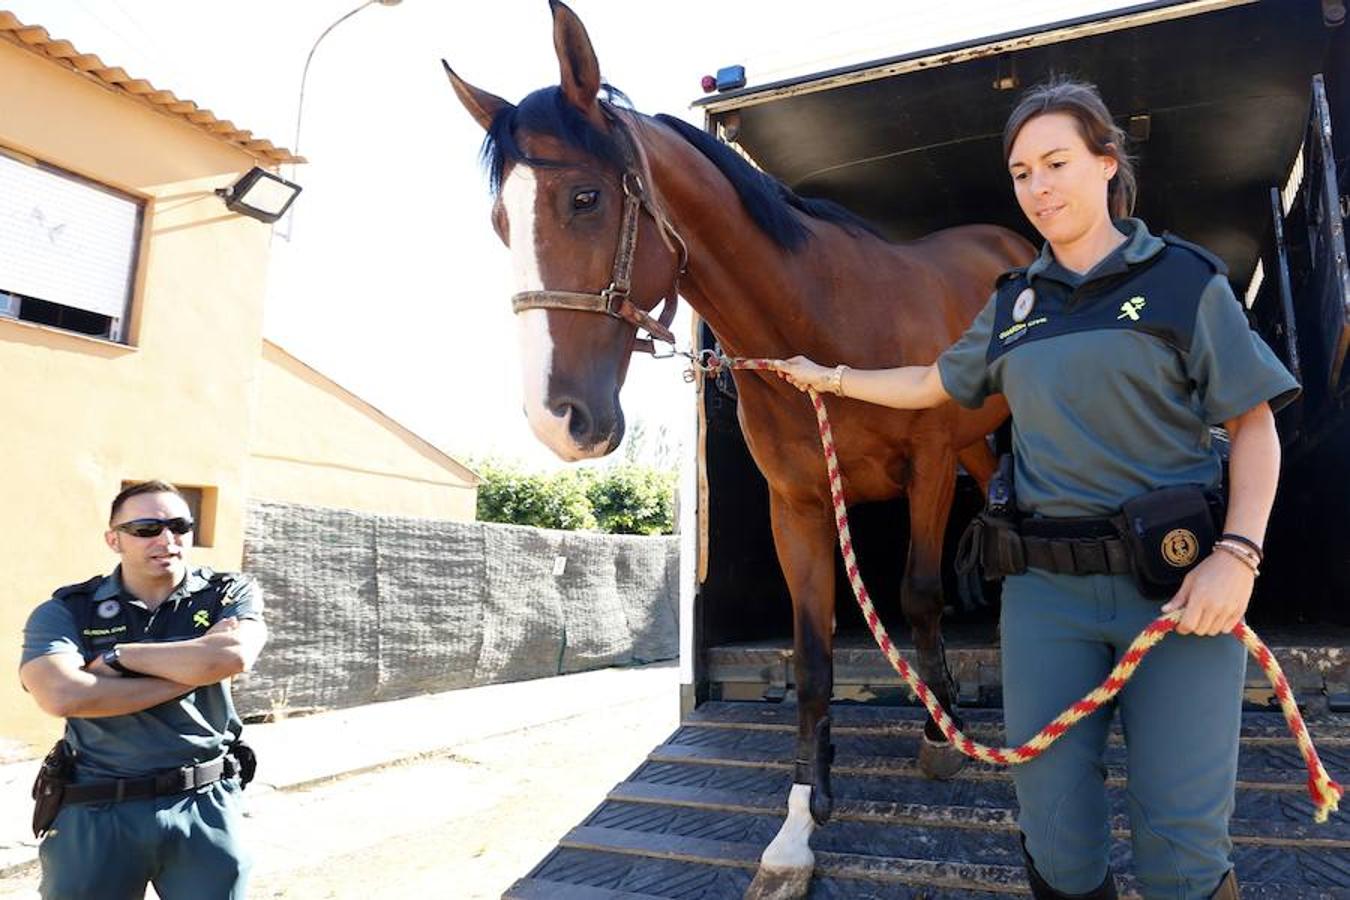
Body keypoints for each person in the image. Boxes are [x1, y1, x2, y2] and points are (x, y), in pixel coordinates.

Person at [773, 78, 1298, 900]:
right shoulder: (1015, 300)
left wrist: (1239, 555)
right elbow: (932, 384)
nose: (1038, 187)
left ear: (1106, 162)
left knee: (1182, 840)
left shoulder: (1183, 280)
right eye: (1021, 173)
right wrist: (826, 377)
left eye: (1056, 162)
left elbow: (1255, 426)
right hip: (1046, 598)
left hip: (1178, 590)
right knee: (1055, 835)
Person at [19, 480, 268, 900]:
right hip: (97, 808)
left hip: (204, 802)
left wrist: (119, 658)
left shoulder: (226, 593)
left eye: (178, 525)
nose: (166, 539)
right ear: (113, 539)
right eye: (146, 529)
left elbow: (231, 657)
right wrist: (194, 666)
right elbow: (62, 695)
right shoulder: (68, 610)